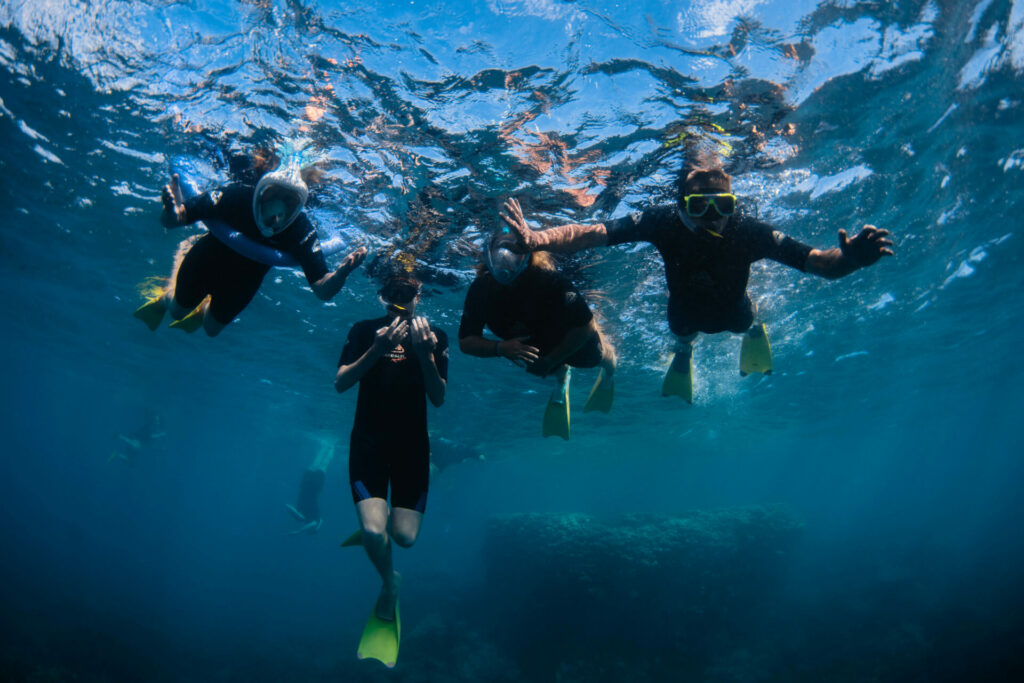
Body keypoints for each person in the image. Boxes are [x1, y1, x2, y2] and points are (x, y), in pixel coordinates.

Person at [502, 149, 894, 403]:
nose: (713, 217)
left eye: (722, 205)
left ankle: (753, 329)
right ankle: (685, 351)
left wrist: (851, 260)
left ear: (733, 204)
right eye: (699, 206)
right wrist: (538, 239)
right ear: (680, 206)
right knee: (682, 333)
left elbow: (821, 264)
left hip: (733, 309)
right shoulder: (661, 222)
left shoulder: (749, 232)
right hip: (684, 311)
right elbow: (592, 233)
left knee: (742, 320)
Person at [333, 274, 447, 666]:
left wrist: (426, 354)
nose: (400, 301)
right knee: (372, 531)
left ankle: (378, 536)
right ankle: (389, 582)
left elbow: (438, 398)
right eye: (393, 294)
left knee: (404, 537)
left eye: (408, 293)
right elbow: (340, 383)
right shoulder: (364, 330)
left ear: (419, 295)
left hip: (412, 449)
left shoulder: (435, 336)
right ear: (382, 297)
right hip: (368, 444)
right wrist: (377, 349)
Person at [133, 152, 367, 337]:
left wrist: (341, 274)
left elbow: (322, 289)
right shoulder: (236, 196)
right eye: (274, 195)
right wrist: (171, 214)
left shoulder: (300, 228)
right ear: (261, 191)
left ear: (298, 206)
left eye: (289, 201)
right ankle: (166, 298)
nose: (278, 207)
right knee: (177, 311)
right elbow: (178, 217)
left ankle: (204, 307)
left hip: (242, 283)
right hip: (204, 263)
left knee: (212, 330)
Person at [459, 229, 617, 439]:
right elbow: (466, 341)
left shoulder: (551, 281)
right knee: (542, 363)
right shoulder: (481, 289)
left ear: (527, 254)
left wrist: (552, 359)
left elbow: (586, 327)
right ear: (488, 254)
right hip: (533, 339)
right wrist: (500, 348)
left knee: (597, 357)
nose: (505, 256)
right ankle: (561, 376)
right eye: (500, 249)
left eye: (513, 248)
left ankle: (609, 373)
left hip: (570, 335)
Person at [285, 435, 338, 535]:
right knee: (320, 464)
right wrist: (299, 531)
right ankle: (331, 445)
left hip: (310, 486)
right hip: (310, 486)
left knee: (320, 464)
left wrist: (299, 528)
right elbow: (313, 523)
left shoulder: (305, 515)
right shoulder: (311, 517)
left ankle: (328, 445)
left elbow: (289, 508)